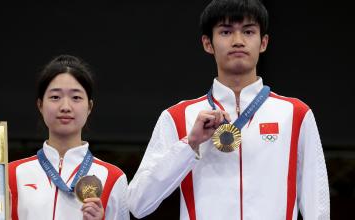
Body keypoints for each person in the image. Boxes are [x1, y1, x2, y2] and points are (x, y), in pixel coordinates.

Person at [127, 0, 330, 219]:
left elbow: (316, 206)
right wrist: (190, 144)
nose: (238, 41)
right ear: (208, 43)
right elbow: (138, 204)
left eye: (248, 31)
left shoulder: (295, 114)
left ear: (263, 42)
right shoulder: (177, 117)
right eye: (225, 32)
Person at [0, 54, 130, 220]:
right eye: (55, 97)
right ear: (40, 105)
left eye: (76, 97)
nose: (65, 107)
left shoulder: (113, 177)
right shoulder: (10, 174)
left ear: (89, 107)